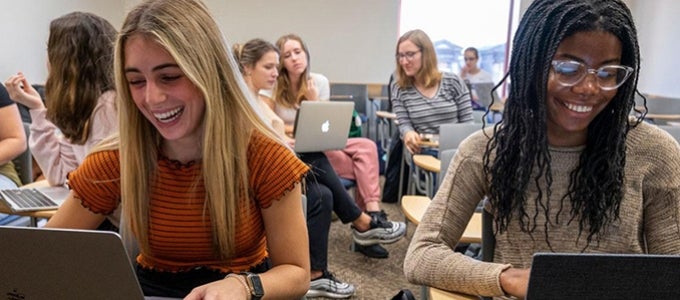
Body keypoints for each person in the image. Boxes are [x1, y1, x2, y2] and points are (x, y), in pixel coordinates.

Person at [404, 0, 680, 299]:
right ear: (530, 65)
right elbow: (422, 254)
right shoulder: (487, 150)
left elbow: (674, 271)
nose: (588, 88)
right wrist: (509, 278)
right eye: (567, 67)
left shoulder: (655, 153)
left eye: (606, 73)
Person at [44, 0, 310, 299]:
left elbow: (297, 274)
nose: (152, 98)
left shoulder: (266, 156)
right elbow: (41, 255)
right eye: (136, 81)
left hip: (243, 288)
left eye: (169, 76)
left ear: (209, 72)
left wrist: (244, 286)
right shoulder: (116, 159)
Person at [271, 33, 406, 297]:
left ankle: (373, 214)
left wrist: (312, 101)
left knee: (366, 146)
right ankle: (363, 223)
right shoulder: (273, 86)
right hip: (297, 148)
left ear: (306, 52)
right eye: (287, 55)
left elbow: (322, 124)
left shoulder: (317, 81)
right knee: (327, 186)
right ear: (279, 63)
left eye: (298, 51)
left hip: (318, 144)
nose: (294, 58)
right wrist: (301, 117)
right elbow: (273, 123)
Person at [5, 12, 118, 188]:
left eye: (50, 49)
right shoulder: (79, 106)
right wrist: (36, 108)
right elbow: (59, 175)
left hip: (105, 211)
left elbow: (100, 186)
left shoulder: (109, 107)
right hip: (91, 203)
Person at [391, 29, 473, 156]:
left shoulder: (453, 82)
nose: (404, 61)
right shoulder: (399, 89)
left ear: (426, 54)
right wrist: (408, 133)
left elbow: (468, 127)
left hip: (455, 151)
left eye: (410, 54)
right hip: (424, 151)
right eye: (401, 56)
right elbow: (404, 124)